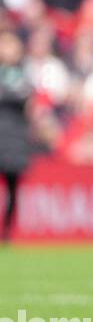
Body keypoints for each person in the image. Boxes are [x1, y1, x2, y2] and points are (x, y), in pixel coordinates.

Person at [0, 30, 34, 242]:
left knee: (13, 187)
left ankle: (7, 232)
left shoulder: (23, 74)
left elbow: (27, 98)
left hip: (15, 138)